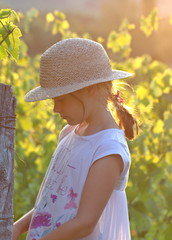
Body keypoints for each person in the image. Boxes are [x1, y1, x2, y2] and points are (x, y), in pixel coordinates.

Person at [13, 38, 138, 240]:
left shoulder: (108, 150)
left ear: (90, 89)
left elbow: (84, 224)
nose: (55, 109)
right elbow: (50, 202)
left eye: (61, 99)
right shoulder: (69, 133)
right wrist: (18, 227)